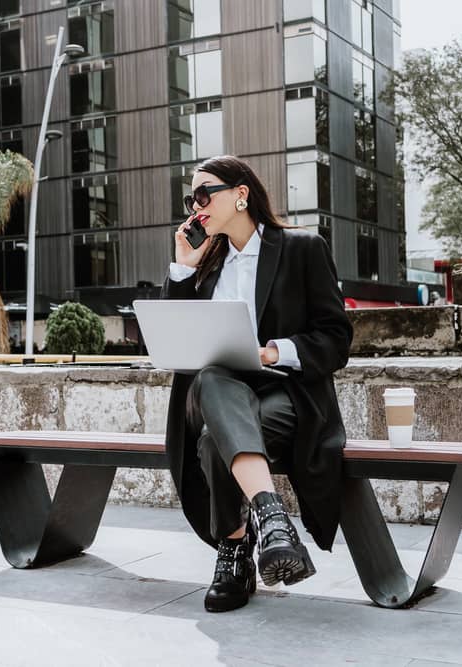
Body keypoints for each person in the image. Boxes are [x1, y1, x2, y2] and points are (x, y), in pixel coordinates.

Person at [161, 155, 353, 613]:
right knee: (210, 377)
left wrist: (274, 351)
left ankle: (234, 555)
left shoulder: (302, 248)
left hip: (285, 396)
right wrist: (183, 267)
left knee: (212, 446)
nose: (195, 205)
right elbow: (177, 334)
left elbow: (336, 338)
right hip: (219, 391)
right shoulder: (204, 263)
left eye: (205, 193)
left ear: (241, 194)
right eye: (192, 198)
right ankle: (272, 519)